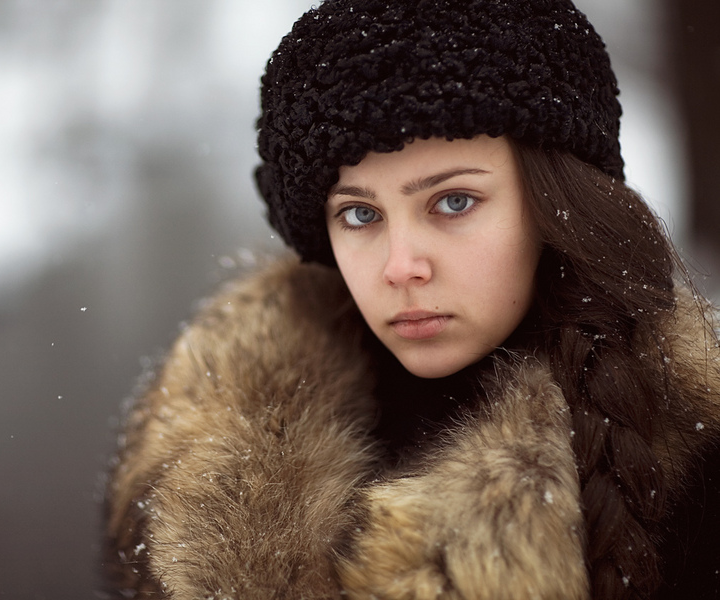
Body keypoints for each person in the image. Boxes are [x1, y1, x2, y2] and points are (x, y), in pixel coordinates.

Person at [103, 0, 720, 598]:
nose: (401, 267)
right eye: (360, 213)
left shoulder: (696, 474)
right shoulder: (190, 472)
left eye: (453, 201)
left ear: (557, 203)